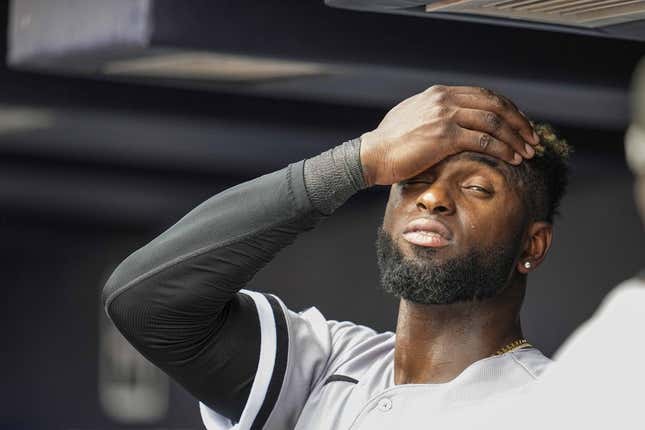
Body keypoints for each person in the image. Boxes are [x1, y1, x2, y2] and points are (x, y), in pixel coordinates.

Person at [101, 85, 571, 429]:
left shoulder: (551, 405)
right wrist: (360, 160)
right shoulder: (328, 362)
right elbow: (144, 303)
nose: (431, 199)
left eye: (475, 188)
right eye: (412, 179)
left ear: (533, 245)